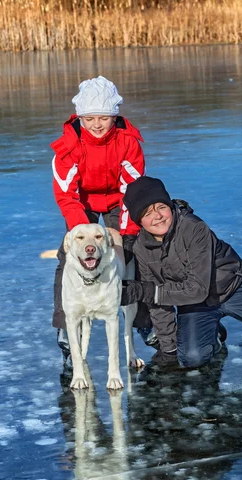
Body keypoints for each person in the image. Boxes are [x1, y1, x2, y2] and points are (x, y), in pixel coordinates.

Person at [120, 176, 242, 367]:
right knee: (192, 358)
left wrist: (146, 290)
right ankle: (214, 333)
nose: (157, 216)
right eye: (147, 213)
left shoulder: (193, 228)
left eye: (161, 207)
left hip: (233, 288)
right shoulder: (141, 248)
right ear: (139, 220)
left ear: (169, 206)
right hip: (196, 304)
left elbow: (196, 288)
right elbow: (158, 302)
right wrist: (168, 348)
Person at [50, 76, 155, 365]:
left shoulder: (128, 143)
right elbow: (66, 195)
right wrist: (82, 231)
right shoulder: (68, 147)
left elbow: (131, 190)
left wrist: (123, 233)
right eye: (90, 118)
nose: (97, 124)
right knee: (67, 257)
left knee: (135, 253)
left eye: (104, 118)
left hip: (118, 202)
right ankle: (64, 325)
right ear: (79, 117)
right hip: (81, 205)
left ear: (115, 116)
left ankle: (143, 320)